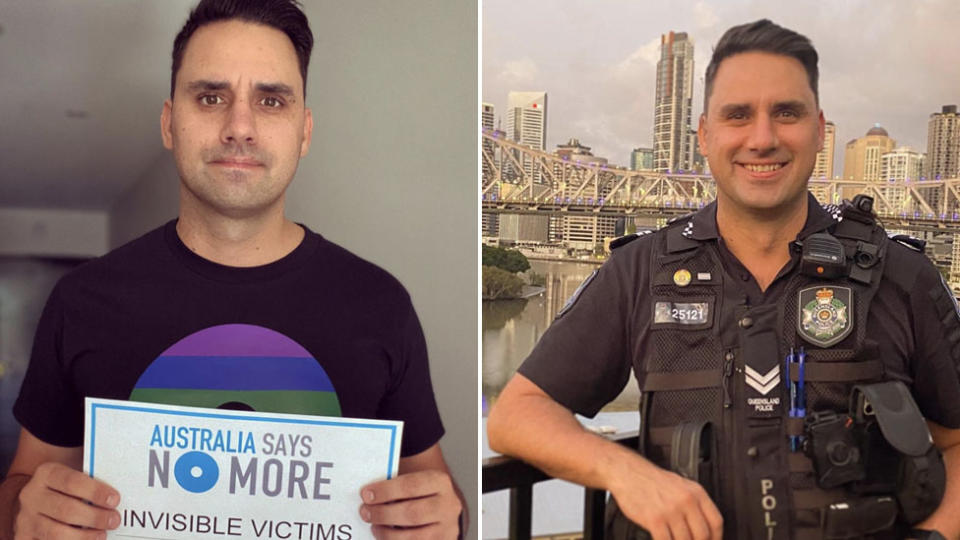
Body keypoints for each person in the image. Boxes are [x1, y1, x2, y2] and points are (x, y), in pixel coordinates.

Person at [0, 1, 465, 538]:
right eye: (211, 97)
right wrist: (19, 516)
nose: (239, 126)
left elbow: (441, 495)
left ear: (304, 132)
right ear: (170, 123)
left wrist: (446, 519)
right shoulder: (81, 300)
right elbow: (23, 482)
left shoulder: (381, 304)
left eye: (270, 100)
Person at [488, 19, 960, 540]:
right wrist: (626, 473)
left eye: (786, 113)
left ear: (819, 129)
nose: (762, 138)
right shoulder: (640, 271)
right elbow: (516, 417)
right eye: (738, 115)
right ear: (705, 135)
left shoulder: (903, 275)